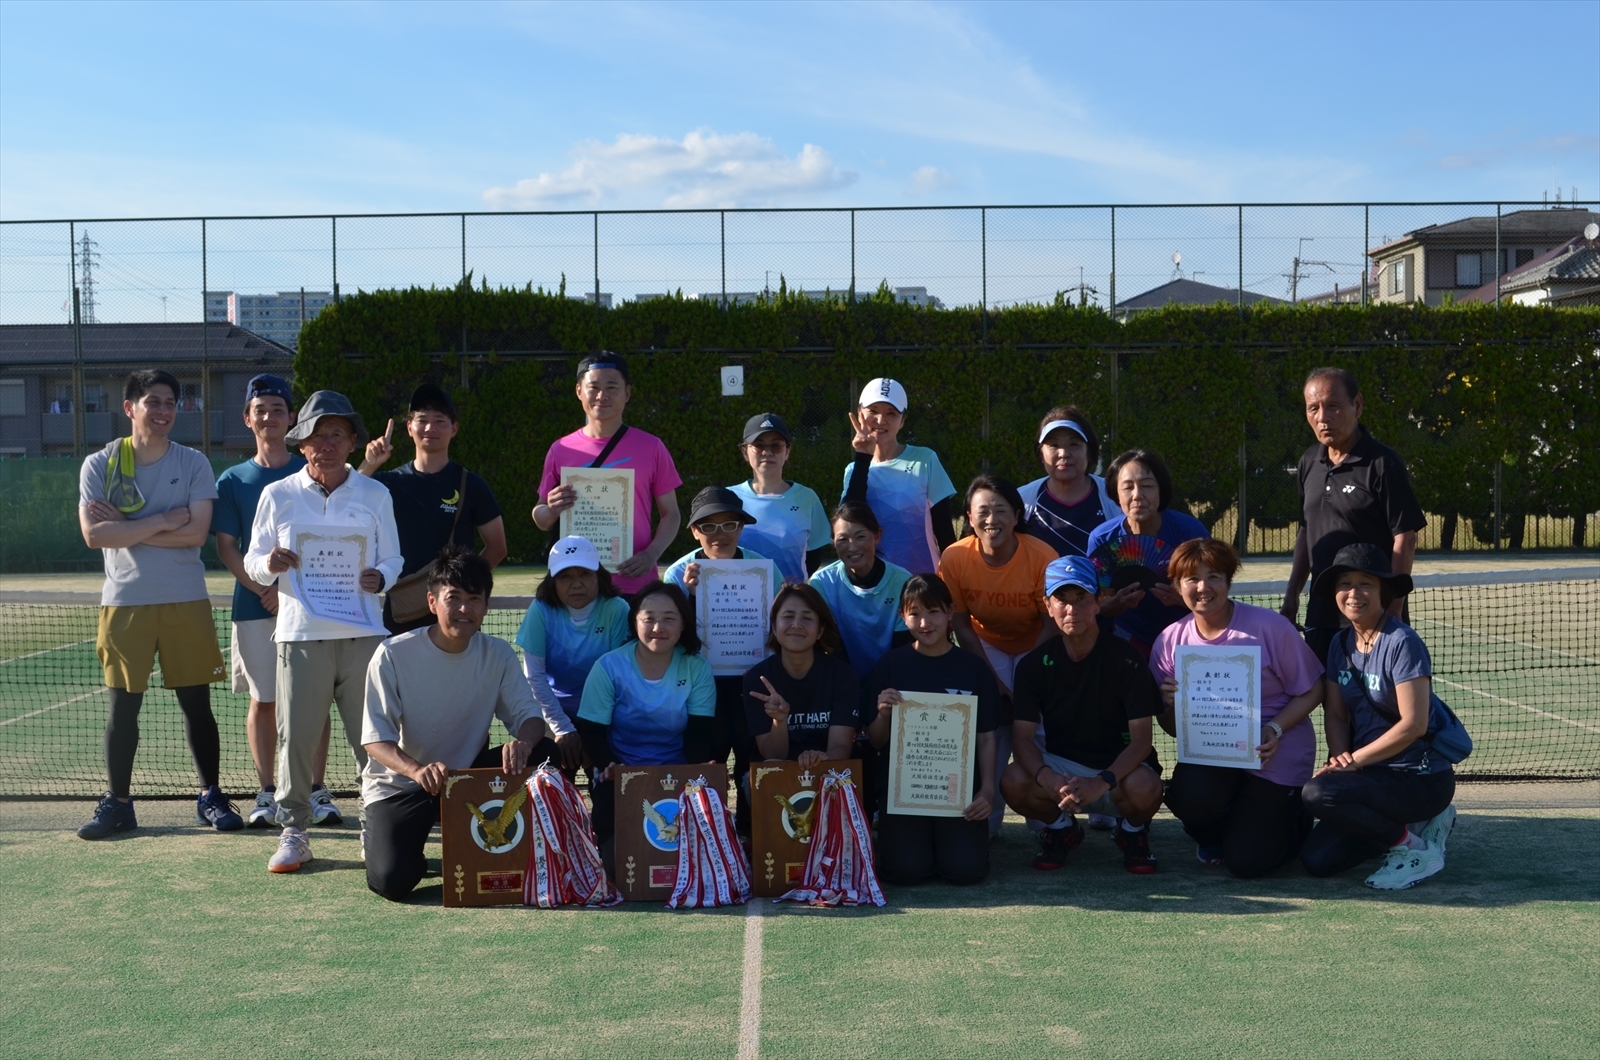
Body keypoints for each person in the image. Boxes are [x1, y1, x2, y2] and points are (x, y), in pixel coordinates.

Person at [75, 369, 240, 839]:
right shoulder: (100, 464)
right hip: (124, 603)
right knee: (122, 710)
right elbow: (93, 535)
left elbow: (196, 533)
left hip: (186, 600)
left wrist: (128, 526)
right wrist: (165, 518)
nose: (165, 411)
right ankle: (119, 805)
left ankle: (210, 796)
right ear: (130, 407)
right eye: (154, 402)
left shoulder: (194, 464)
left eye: (171, 402)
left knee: (197, 705)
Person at [244, 390, 403, 874]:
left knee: (373, 738)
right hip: (300, 635)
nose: (326, 444)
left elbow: (393, 557)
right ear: (301, 444)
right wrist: (270, 564)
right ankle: (294, 831)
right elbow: (254, 561)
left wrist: (383, 577)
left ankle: (373, 826)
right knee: (296, 737)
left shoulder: (376, 494)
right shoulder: (277, 495)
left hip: (363, 636)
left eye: (337, 434)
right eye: (316, 435)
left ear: (353, 442)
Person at [361, 548, 555, 901]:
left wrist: (524, 744)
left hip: (467, 783)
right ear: (432, 602)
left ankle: (529, 847)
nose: (465, 608)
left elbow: (530, 718)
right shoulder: (392, 653)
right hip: (405, 787)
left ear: (485, 606)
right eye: (454, 598)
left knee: (546, 753)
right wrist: (418, 771)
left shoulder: (497, 654)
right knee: (391, 880)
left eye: (474, 599)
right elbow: (376, 741)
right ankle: (388, 840)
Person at [1152, 538, 1324, 877]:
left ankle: (1295, 817)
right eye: (1192, 578)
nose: (1203, 587)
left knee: (1249, 864)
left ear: (1229, 581)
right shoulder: (1170, 641)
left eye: (1214, 576)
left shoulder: (1270, 627)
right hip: (1215, 755)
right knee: (1188, 795)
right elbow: (1174, 728)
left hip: (1275, 753)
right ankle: (1217, 835)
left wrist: (1273, 730)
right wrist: (1168, 704)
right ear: (1177, 585)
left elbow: (1313, 690)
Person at [214, 374, 341, 828]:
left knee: (316, 700)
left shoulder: (311, 471)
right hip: (254, 608)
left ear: (292, 421)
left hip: (311, 607)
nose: (269, 417)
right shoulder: (232, 480)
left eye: (279, 409)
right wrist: (264, 590)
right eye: (261, 409)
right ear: (248, 418)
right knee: (265, 700)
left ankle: (316, 789)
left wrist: (286, 594)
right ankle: (267, 791)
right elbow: (228, 546)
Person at [1301, 544, 1458, 890]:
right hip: (1370, 780)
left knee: (1317, 794)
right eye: (1345, 584)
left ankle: (1413, 848)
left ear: (1384, 591)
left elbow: (1413, 725)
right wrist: (1340, 755)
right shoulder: (1339, 645)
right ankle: (1406, 829)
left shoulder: (1402, 642)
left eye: (1365, 584)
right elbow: (1337, 715)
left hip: (1420, 780)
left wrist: (1353, 762)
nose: (1353, 594)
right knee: (1318, 861)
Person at [1001, 556, 1165, 875]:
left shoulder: (1128, 659)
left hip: (1117, 772)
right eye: (1061, 600)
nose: (1071, 609)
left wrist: (1101, 782)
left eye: (1081, 598)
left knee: (1148, 787)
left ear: (1099, 603)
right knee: (1013, 780)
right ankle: (1063, 829)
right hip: (1062, 770)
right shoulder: (1033, 666)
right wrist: (1048, 778)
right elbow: (1022, 739)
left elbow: (1142, 741)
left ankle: (1132, 832)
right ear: (1048, 606)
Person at [1280, 368, 1427, 664]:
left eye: (1333, 405)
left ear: (1357, 405)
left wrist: (1392, 611)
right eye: (1314, 408)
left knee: (1375, 707)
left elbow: (1405, 536)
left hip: (1372, 614)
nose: (1323, 416)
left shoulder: (1383, 463)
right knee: (1325, 701)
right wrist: (1292, 597)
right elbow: (1307, 532)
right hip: (1322, 615)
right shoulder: (1309, 461)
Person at [938, 473, 1058, 837]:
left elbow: (1051, 625)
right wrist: (994, 682)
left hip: (1036, 644)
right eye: (983, 512)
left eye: (1001, 510)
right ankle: (985, 823)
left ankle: (1047, 821)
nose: (992, 520)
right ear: (970, 518)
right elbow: (960, 626)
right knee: (990, 726)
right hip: (984, 643)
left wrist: (1025, 683)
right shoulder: (955, 558)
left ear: (1017, 514)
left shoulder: (1042, 556)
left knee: (1035, 728)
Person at [863, 575, 999, 886]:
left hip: (957, 793)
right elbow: (876, 740)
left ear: (951, 612)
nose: (925, 622)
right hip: (905, 793)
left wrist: (987, 790)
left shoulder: (974, 668)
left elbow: (987, 736)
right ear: (902, 616)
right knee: (906, 871)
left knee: (966, 871)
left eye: (934, 611)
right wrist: (883, 715)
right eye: (915, 613)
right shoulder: (889, 667)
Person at [576, 582, 717, 871]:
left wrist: (696, 770)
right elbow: (591, 731)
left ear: (682, 625)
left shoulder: (697, 667)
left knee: (688, 864)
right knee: (617, 865)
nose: (658, 627)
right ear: (635, 621)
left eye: (669, 618)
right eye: (649, 618)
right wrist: (610, 765)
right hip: (619, 773)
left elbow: (700, 732)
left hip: (677, 773)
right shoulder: (608, 667)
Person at [664, 485, 771, 835]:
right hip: (698, 685)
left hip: (748, 681)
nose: (719, 535)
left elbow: (776, 633)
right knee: (704, 760)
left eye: (729, 525)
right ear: (694, 531)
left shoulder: (764, 570)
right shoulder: (677, 575)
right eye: (708, 526)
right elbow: (673, 640)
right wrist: (692, 596)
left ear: (742, 527)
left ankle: (749, 832)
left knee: (748, 755)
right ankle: (705, 833)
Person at [358, 383, 507, 634]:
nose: (430, 428)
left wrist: (465, 585)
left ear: (454, 428)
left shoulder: (472, 484)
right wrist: (369, 464)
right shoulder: (387, 483)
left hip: (454, 613)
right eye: (422, 420)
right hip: (403, 610)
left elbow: (497, 547)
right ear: (409, 428)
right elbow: (348, 502)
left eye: (440, 420)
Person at [534, 353, 683, 597]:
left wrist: (651, 554)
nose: (602, 396)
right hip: (576, 586)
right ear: (579, 391)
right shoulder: (560, 449)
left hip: (634, 583)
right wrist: (551, 509)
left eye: (612, 387)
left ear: (627, 393)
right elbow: (541, 518)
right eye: (593, 387)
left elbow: (672, 513)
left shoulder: (652, 447)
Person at [514, 535, 631, 779]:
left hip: (605, 713)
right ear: (553, 581)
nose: (576, 584)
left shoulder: (617, 609)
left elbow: (618, 678)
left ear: (598, 575)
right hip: (553, 709)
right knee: (547, 783)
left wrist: (593, 735)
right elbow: (534, 676)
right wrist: (563, 728)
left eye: (585, 574)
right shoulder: (541, 609)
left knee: (608, 785)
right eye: (565, 576)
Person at [1085, 448, 1208, 660]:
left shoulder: (1190, 533)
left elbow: (1216, 591)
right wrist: (1116, 603)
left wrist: (1183, 600)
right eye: (1127, 487)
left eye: (1147, 486)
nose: (1137, 495)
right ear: (1116, 493)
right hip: (1129, 634)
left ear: (1161, 491)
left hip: (1187, 631)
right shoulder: (1102, 538)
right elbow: (1096, 603)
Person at [841, 377, 957, 576]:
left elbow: (944, 529)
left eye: (891, 413)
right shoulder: (854, 470)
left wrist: (954, 577)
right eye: (873, 411)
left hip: (922, 583)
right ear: (860, 414)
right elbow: (851, 523)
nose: (880, 420)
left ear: (902, 420)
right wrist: (862, 457)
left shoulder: (925, 459)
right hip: (875, 584)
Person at [742, 583, 859, 767]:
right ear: (774, 627)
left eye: (807, 618)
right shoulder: (758, 679)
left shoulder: (841, 675)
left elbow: (841, 747)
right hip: (776, 774)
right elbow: (772, 756)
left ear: (820, 631)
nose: (796, 625)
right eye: (788, 617)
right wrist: (779, 722)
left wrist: (820, 758)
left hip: (826, 771)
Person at [809, 501, 914, 681]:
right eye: (842, 539)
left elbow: (903, 646)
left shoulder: (902, 581)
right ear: (832, 541)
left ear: (877, 535)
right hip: (841, 679)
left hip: (891, 680)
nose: (852, 546)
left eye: (860, 536)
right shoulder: (821, 583)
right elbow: (830, 645)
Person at [728, 412, 832, 585]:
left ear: (787, 451)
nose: (767, 452)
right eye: (758, 445)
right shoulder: (728, 498)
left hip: (790, 605)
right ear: (745, 452)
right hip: (741, 604)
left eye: (776, 446)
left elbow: (814, 556)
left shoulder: (807, 498)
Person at [1019, 407, 1117, 558]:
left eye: (1074, 444)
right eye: (1054, 445)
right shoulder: (1021, 500)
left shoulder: (1115, 495)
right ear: (1041, 453)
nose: (1064, 453)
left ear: (1089, 451)